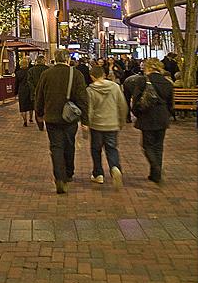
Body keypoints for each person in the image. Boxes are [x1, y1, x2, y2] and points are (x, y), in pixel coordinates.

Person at [35, 49, 89, 194]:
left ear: (55, 59)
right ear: (67, 60)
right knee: (69, 144)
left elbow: (39, 95)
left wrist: (39, 114)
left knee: (56, 146)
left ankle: (60, 177)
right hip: (70, 118)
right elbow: (83, 99)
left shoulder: (46, 74)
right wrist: (85, 120)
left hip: (52, 116)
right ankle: (69, 172)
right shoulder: (76, 74)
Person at [130, 58, 174, 184]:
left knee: (147, 145)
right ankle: (156, 174)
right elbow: (171, 103)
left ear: (148, 67)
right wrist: (168, 114)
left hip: (147, 116)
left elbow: (136, 99)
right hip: (162, 117)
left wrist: (137, 113)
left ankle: (155, 167)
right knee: (158, 146)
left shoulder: (143, 80)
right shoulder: (167, 82)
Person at [87, 65, 128, 189]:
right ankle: (115, 167)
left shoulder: (90, 90)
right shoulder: (115, 87)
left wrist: (87, 124)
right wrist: (121, 121)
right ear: (103, 74)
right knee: (112, 148)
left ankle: (98, 174)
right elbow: (122, 105)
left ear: (92, 76)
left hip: (97, 125)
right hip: (112, 123)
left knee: (96, 149)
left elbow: (89, 109)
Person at [27, 55, 49, 126]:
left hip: (35, 93)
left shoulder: (31, 70)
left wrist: (34, 90)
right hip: (46, 93)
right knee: (46, 107)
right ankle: (47, 122)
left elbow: (29, 82)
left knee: (37, 108)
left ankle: (40, 123)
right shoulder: (48, 69)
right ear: (43, 61)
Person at [14, 57, 34, 126]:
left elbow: (16, 83)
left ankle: (25, 121)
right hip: (29, 90)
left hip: (22, 90)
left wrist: (15, 92)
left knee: (23, 107)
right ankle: (31, 118)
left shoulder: (18, 73)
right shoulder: (30, 71)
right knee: (30, 105)